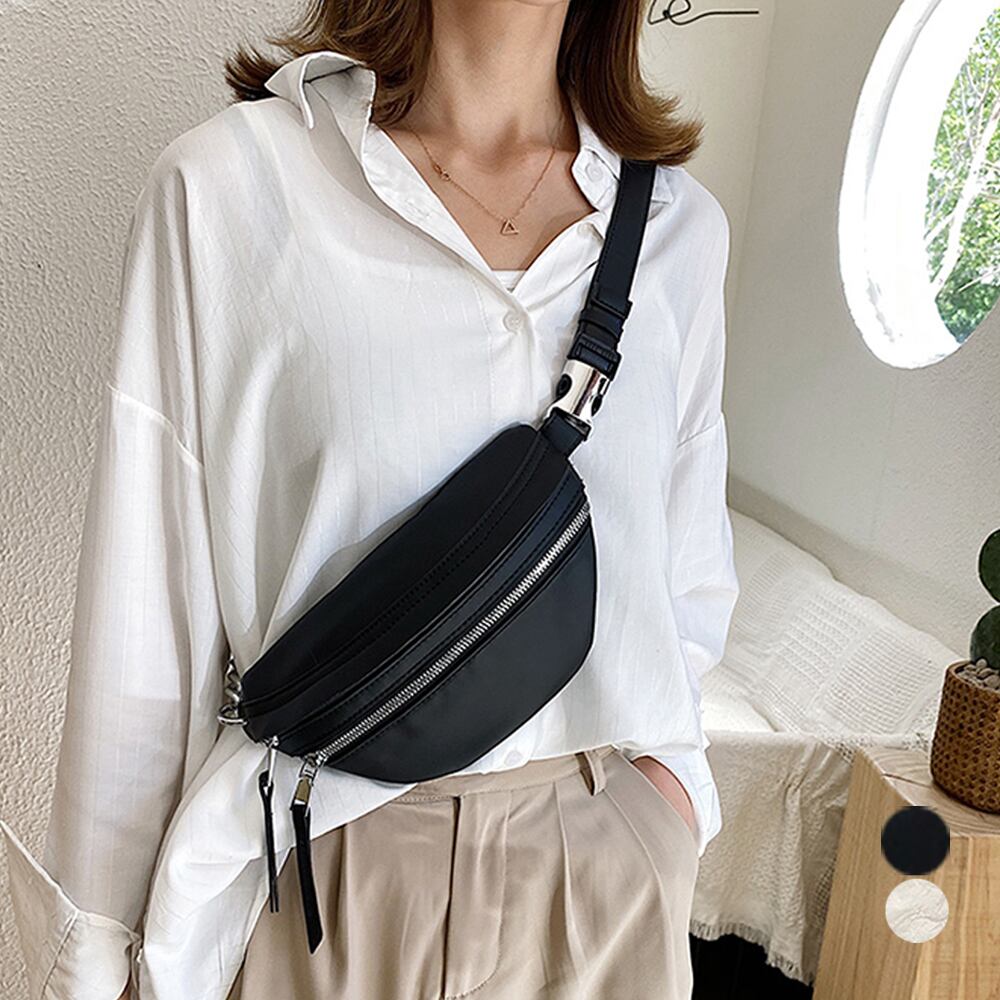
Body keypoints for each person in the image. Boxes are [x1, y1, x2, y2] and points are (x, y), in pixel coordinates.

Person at [1, 0, 740, 997]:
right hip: (326, 873)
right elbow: (147, 633)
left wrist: (662, 811)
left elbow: (686, 584)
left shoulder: (679, 230)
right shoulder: (230, 187)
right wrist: (96, 961)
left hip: (601, 889)